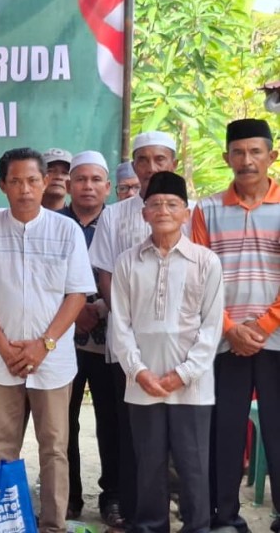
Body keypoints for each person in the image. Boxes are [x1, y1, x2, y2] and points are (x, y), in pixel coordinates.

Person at [0, 147, 95, 533]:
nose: (25, 189)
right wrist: (5, 348)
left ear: (47, 183)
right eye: (16, 181)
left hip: (52, 360)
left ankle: (53, 524)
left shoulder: (65, 230)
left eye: (33, 180)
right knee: (1, 444)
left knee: (55, 447)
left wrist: (44, 344)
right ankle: (4, 524)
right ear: (2, 185)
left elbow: (76, 295)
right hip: (0, 359)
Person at [111, 171, 223, 533]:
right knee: (149, 464)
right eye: (155, 204)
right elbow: (120, 324)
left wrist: (184, 373)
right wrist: (138, 370)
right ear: (143, 213)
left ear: (185, 212)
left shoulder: (206, 262)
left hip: (192, 385)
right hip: (142, 383)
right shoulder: (128, 261)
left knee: (193, 465)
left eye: (171, 204)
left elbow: (211, 326)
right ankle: (150, 527)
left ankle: (198, 527)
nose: (163, 210)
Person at [192, 118, 280, 533]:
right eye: (239, 153)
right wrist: (229, 328)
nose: (247, 161)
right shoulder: (206, 209)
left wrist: (263, 326)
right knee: (224, 433)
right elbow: (196, 277)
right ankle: (224, 517)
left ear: (271, 156)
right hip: (224, 342)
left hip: (276, 340)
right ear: (227, 157)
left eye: (255, 152)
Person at [89, 130, 180, 526]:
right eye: (143, 160)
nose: (150, 168)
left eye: (159, 159)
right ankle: (128, 507)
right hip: (125, 341)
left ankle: (168, 505)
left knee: (175, 429)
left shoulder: (189, 212)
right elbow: (104, 273)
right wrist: (126, 320)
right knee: (126, 428)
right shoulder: (115, 214)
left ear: (172, 164)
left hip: (176, 343)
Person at [58, 151, 121, 522]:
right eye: (81, 179)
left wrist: (97, 308)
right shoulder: (53, 222)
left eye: (96, 180)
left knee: (110, 418)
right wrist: (72, 311)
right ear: (68, 185)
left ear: (107, 187)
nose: (88, 186)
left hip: (107, 338)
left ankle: (112, 496)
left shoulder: (116, 223)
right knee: (63, 421)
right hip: (60, 339)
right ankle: (69, 496)